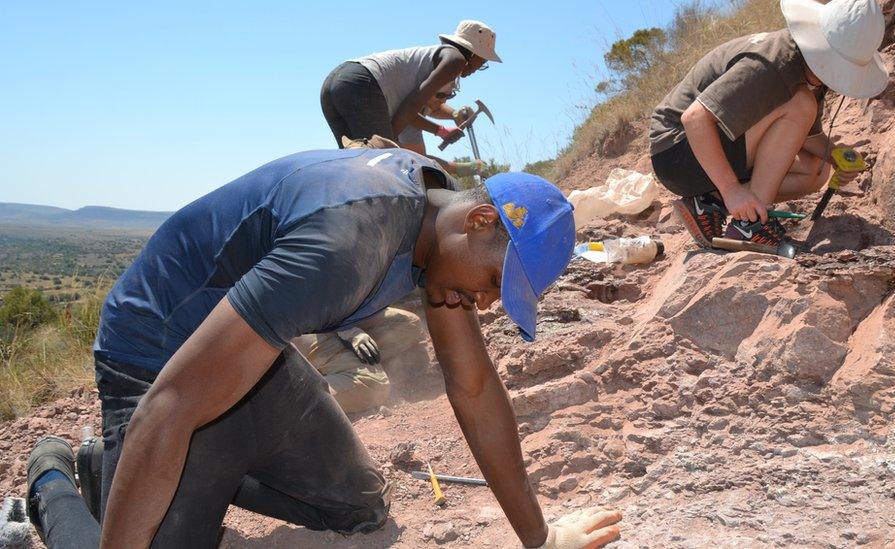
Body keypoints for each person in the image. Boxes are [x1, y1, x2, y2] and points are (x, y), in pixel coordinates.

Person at [24, 147, 622, 549]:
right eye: (495, 284)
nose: (488, 303)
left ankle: (143, 466)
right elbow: (171, 404)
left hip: (252, 352)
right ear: (482, 220)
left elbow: (472, 387)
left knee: (360, 511)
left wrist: (541, 541)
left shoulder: (438, 226)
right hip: (156, 356)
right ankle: (52, 476)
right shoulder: (347, 244)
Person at [649, 0, 888, 248]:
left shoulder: (810, 68)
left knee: (814, 171)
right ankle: (750, 228)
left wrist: (835, 155)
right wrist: (732, 190)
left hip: (706, 152)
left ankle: (709, 202)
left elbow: (805, 134)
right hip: (677, 151)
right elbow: (695, 119)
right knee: (803, 103)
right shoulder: (772, 65)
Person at [321, 20, 501, 149]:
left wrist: (450, 118)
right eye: (483, 61)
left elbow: (415, 108)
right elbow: (410, 108)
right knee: (382, 163)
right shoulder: (455, 61)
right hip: (361, 86)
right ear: (473, 54)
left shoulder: (434, 62)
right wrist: (389, 147)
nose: (480, 68)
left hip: (337, 83)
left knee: (354, 163)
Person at [293, 307, 430, 414]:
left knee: (410, 323)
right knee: (374, 385)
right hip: (303, 322)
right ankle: (286, 402)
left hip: (341, 311)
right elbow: (318, 293)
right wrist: (349, 331)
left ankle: (359, 357)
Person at [398, 78, 487, 179]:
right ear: (427, 88)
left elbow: (433, 108)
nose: (444, 101)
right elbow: (419, 159)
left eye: (449, 96)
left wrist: (455, 114)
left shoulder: (423, 96)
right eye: (440, 95)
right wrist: (466, 168)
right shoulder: (409, 121)